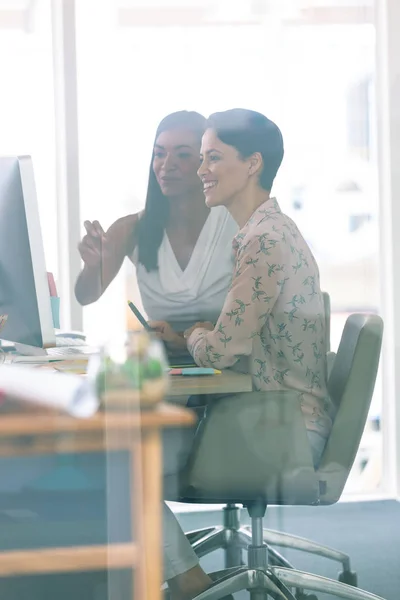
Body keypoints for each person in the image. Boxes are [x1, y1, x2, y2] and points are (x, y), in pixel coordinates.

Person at [74, 111, 237, 600]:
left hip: (230, 380)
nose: (167, 165)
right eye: (159, 153)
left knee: (119, 453)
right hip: (173, 381)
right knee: (104, 444)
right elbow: (85, 294)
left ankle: (182, 578)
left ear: (206, 162)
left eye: (184, 154)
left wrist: (193, 334)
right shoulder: (135, 228)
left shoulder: (236, 224)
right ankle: (185, 576)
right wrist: (91, 263)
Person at [184, 108, 335, 463]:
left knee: (135, 459)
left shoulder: (263, 240)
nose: (201, 170)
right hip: (283, 422)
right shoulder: (273, 229)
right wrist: (203, 335)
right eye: (202, 159)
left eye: (214, 158)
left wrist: (194, 337)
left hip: (286, 434)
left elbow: (218, 354)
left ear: (253, 164)